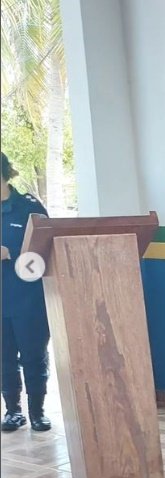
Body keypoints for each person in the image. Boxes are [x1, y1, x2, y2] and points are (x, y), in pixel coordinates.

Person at [1, 152, 52, 433]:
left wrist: (10, 253)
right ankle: (13, 411)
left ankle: (37, 412)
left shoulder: (28, 208)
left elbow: (46, 251)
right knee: (4, 359)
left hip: (28, 299)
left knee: (33, 356)